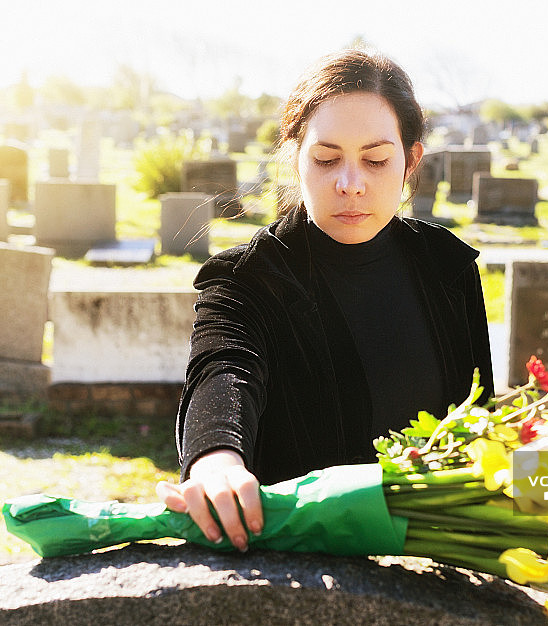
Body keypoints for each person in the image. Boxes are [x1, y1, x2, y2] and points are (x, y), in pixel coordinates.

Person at [157, 48, 494, 554]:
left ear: (411, 161)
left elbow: (478, 418)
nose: (350, 184)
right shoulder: (246, 279)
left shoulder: (447, 267)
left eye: (376, 160)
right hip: (298, 569)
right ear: (296, 157)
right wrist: (215, 459)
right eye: (327, 159)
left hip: (434, 561)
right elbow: (223, 370)